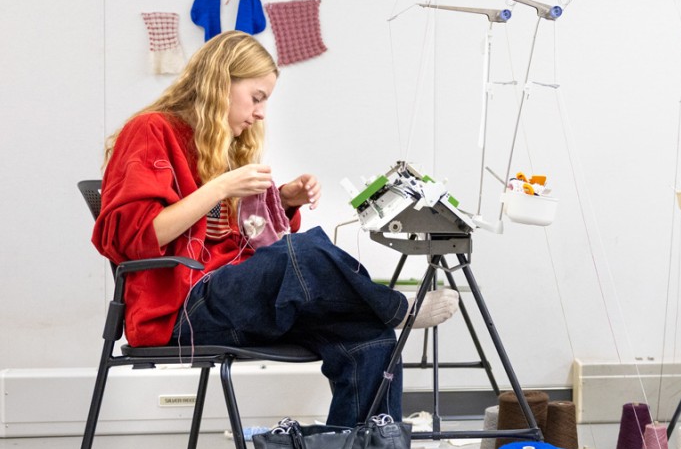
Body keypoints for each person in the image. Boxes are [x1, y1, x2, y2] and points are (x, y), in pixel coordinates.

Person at [93, 30, 458, 428]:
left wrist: (283, 201)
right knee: (303, 252)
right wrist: (222, 186)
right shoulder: (150, 130)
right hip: (181, 312)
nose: (262, 112)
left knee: (371, 338)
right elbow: (128, 239)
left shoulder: (220, 144)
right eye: (257, 97)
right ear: (220, 83)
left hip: (232, 299)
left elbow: (242, 239)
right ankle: (394, 307)